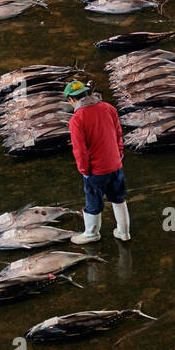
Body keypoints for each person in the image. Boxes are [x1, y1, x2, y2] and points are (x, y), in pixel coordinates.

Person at [65, 81, 130, 244]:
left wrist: (84, 171)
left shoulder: (77, 119)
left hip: (96, 170)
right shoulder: (109, 108)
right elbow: (118, 133)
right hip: (116, 165)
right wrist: (119, 154)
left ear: (72, 100)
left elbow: (80, 150)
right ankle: (124, 232)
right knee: (118, 198)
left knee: (93, 202)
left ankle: (91, 233)